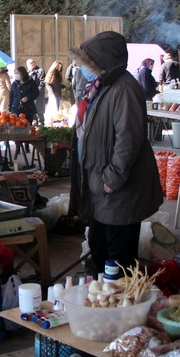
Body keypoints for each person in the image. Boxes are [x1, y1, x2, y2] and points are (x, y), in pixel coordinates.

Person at [68, 31, 162, 273]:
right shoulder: (100, 86)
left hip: (117, 188)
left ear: (103, 61)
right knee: (99, 247)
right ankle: (106, 298)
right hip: (100, 182)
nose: (82, 68)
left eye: (87, 62)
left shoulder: (125, 88)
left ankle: (119, 304)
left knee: (117, 256)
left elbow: (128, 139)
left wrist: (112, 179)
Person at [26, 59, 45, 125]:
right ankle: (34, 121)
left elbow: (42, 82)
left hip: (38, 93)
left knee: (39, 109)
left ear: (34, 63)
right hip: (30, 94)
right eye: (29, 64)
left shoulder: (40, 71)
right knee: (31, 108)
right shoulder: (27, 72)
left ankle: (41, 122)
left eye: (32, 63)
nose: (31, 65)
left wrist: (38, 90)